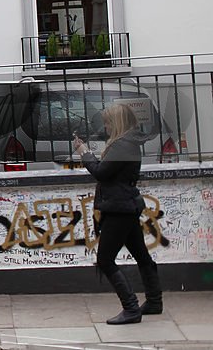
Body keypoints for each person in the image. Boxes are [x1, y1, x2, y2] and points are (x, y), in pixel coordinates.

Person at [73, 104, 162, 325]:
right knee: (141, 254)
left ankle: (131, 308)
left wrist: (85, 153)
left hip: (118, 208)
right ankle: (154, 301)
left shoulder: (122, 145)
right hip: (126, 205)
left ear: (118, 122)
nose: (105, 126)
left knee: (105, 259)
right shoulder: (129, 143)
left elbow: (101, 172)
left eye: (108, 122)